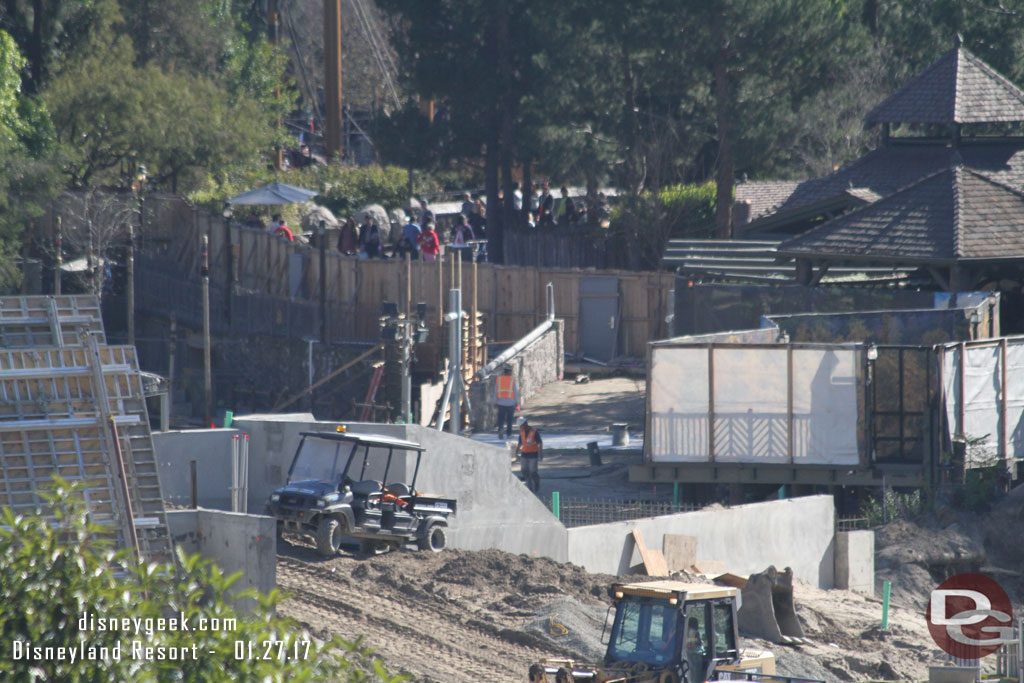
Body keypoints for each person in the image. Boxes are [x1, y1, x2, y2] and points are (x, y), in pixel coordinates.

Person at [516, 416, 542, 493]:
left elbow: (540, 443)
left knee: (532, 471)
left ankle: (536, 483)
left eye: (520, 426)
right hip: (524, 454)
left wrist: (540, 454)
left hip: (533, 454)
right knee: (524, 471)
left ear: (524, 425)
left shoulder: (534, 432)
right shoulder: (522, 433)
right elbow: (520, 442)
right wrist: (516, 452)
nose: (520, 428)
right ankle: (529, 487)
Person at [494, 366, 519, 438]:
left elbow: (495, 391)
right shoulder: (513, 380)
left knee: (501, 418)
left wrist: (495, 401)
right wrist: (517, 402)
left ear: (504, 371)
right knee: (509, 419)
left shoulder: (499, 379)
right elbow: (516, 392)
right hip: (510, 402)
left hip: (501, 402)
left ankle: (501, 429)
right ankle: (509, 433)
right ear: (510, 371)